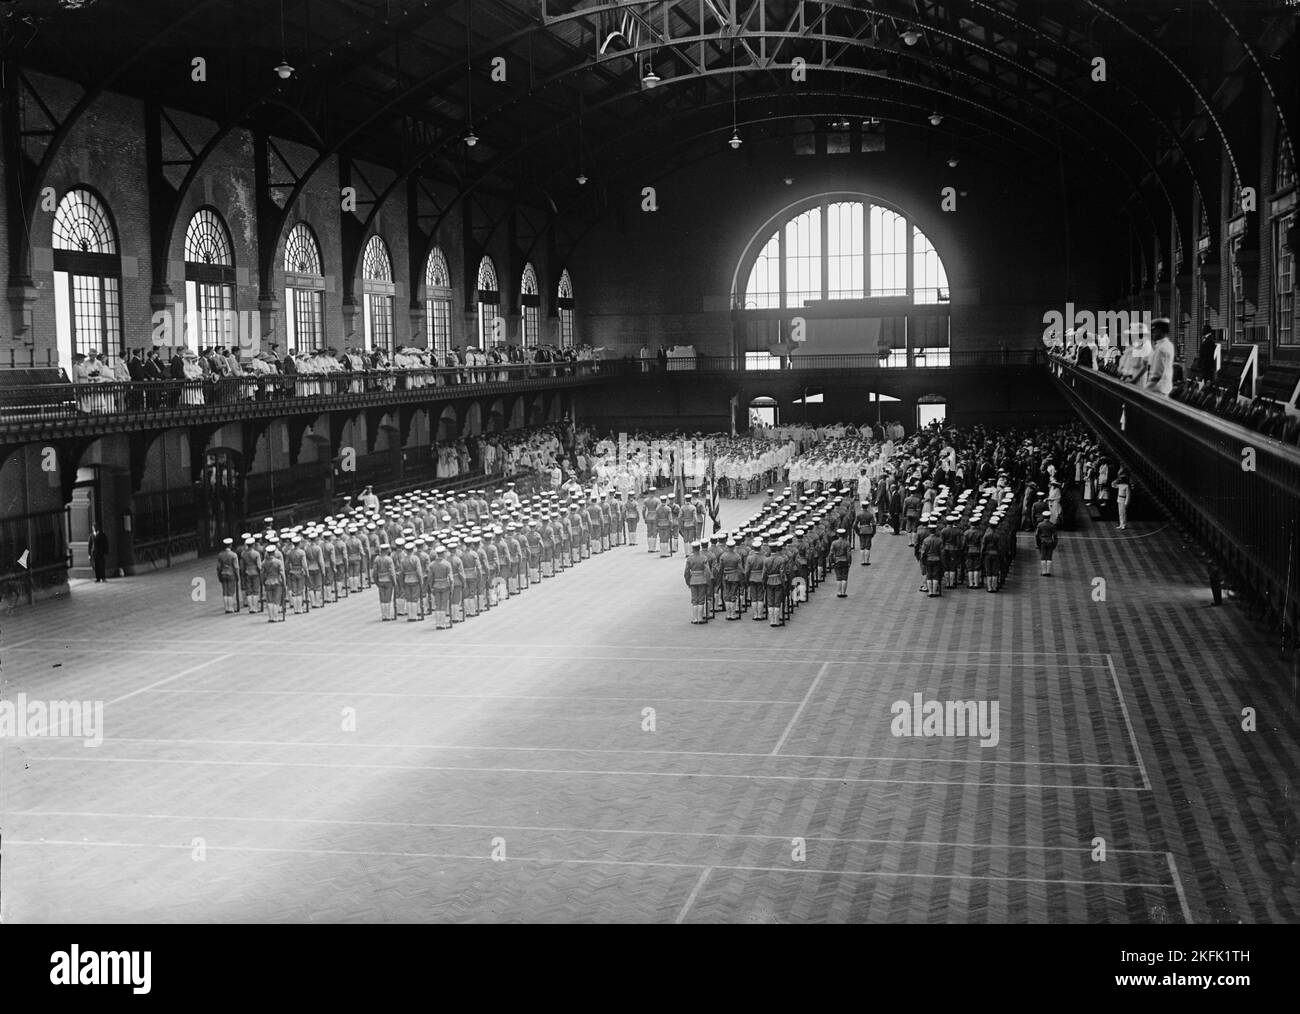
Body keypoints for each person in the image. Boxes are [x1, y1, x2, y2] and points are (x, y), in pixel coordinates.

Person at [684, 539, 712, 624]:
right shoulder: (703, 558)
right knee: (701, 600)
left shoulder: (689, 558)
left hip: (693, 580)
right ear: (699, 548)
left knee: (694, 600)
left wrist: (688, 582)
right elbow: (707, 571)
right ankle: (700, 618)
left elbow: (686, 572)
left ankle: (694, 618)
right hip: (702, 580)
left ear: (692, 549)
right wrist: (708, 581)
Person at [919, 522, 945, 598]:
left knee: (929, 575)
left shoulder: (926, 540)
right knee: (936, 575)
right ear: (935, 530)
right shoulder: (939, 540)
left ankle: (930, 592)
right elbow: (942, 552)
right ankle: (934, 591)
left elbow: (923, 552)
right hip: (937, 559)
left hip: (928, 559)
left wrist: (923, 561)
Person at [826, 527, 851, 598]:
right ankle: (844, 592)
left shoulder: (834, 543)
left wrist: (832, 562)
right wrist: (849, 562)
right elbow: (849, 554)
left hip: (837, 561)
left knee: (838, 577)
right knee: (845, 577)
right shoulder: (847, 542)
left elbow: (831, 553)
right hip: (845, 560)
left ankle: (839, 592)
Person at [216, 537, 239, 612]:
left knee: (225, 591)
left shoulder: (220, 555)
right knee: (231, 591)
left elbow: (218, 567)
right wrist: (237, 576)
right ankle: (231, 607)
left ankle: (226, 608)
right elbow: (236, 567)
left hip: (223, 573)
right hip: (231, 573)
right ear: (230, 545)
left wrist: (219, 575)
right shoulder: (233, 555)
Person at [1035, 510, 1058, 577]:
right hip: (1050, 541)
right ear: (1049, 517)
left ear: (1043, 516)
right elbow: (1055, 536)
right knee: (1049, 557)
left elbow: (1037, 535)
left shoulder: (1040, 525)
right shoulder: (1052, 525)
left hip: (1042, 542)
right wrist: (1055, 544)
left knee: (1043, 556)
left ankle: (1043, 571)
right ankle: (1048, 571)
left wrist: (1037, 543)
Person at [853, 501, 876, 566]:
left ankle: (862, 560)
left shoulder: (859, 514)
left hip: (861, 530)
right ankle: (867, 560)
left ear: (861, 506)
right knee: (868, 546)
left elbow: (854, 525)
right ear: (868, 506)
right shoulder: (870, 514)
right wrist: (873, 532)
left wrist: (858, 531)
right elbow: (874, 524)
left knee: (862, 545)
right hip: (868, 530)